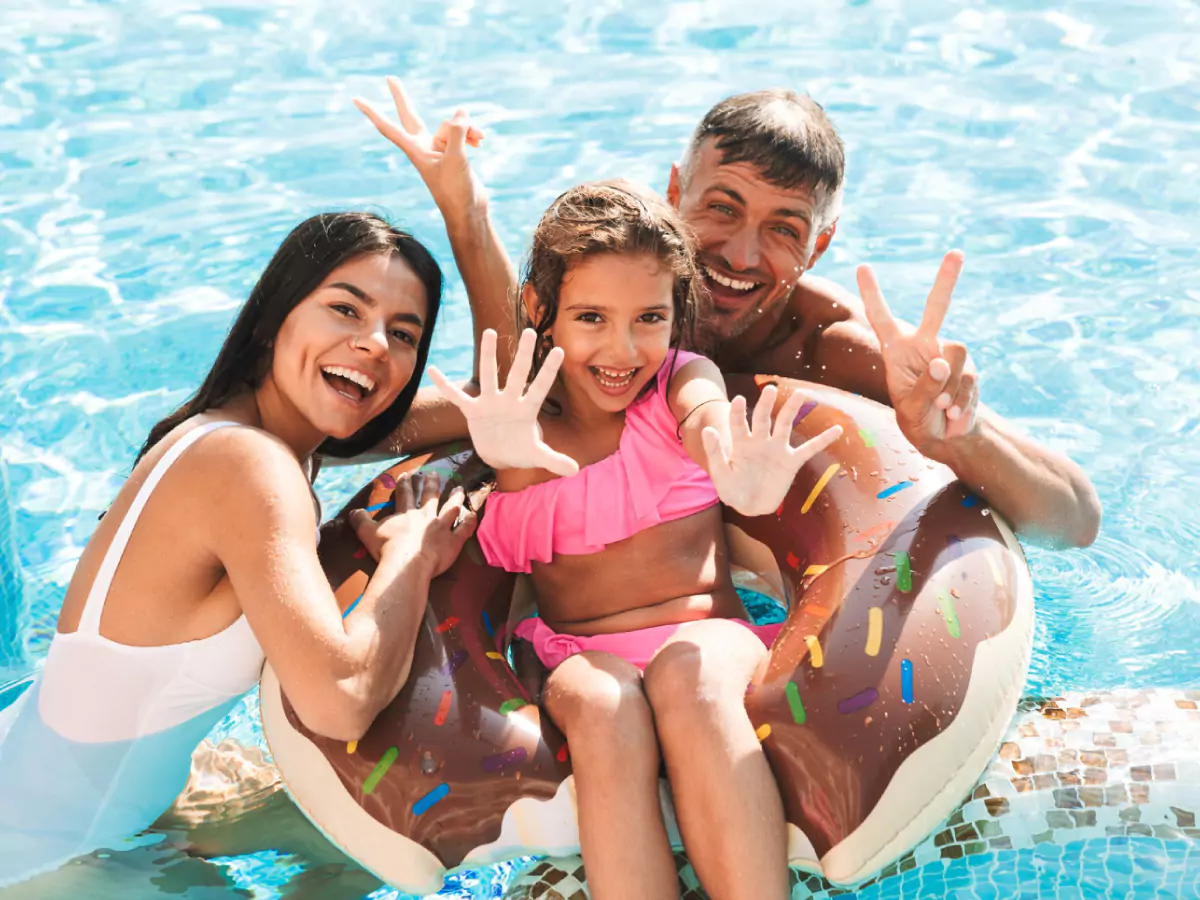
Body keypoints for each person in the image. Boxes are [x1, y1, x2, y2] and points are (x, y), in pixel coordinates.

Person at [355, 80, 1101, 549]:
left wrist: (962, 434)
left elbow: (1074, 520)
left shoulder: (830, 350)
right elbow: (467, 401)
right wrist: (466, 209)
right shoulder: (621, 307)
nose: (743, 255)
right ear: (675, 189)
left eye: (784, 228)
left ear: (821, 245)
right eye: (721, 207)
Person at [0, 211, 477, 888]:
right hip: (54, 861)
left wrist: (466, 209)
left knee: (380, 827)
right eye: (346, 309)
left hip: (57, 786)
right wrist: (412, 557)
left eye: (404, 334)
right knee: (404, 835)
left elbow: (502, 402)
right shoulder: (247, 466)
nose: (374, 345)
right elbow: (339, 702)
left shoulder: (261, 432)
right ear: (272, 321)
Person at [427, 180, 841, 900]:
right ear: (539, 310)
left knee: (690, 674)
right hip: (578, 652)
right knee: (599, 702)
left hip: (706, 631)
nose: (622, 350)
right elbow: (487, 529)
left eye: (648, 317)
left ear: (676, 312)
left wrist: (738, 476)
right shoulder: (518, 424)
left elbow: (709, 422)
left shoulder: (681, 383)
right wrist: (501, 456)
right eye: (591, 317)